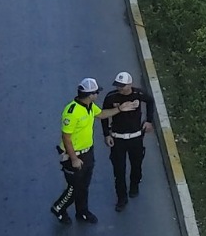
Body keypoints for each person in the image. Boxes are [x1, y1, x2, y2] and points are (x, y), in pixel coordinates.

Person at [51, 78, 129, 225]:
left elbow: (101, 115)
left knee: (84, 185)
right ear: (90, 94)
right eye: (96, 92)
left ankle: (82, 212)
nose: (97, 95)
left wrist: (119, 109)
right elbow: (66, 137)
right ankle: (58, 208)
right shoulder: (72, 112)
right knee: (74, 188)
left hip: (87, 153)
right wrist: (74, 159)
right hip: (73, 155)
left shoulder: (90, 106)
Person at [101, 71, 156, 212]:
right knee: (118, 170)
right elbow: (103, 116)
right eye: (118, 85)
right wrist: (107, 134)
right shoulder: (111, 97)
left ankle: (134, 185)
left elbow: (150, 101)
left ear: (130, 84)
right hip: (118, 138)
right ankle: (121, 198)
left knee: (136, 164)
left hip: (135, 137)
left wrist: (149, 121)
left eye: (123, 86)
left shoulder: (139, 94)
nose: (120, 88)